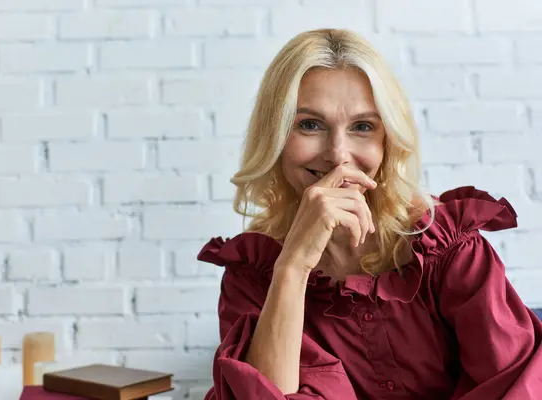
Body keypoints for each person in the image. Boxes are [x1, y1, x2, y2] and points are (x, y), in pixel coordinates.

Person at [197, 28, 542, 400]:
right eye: (309, 125)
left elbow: (512, 384)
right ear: (276, 136)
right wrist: (293, 268)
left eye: (362, 127)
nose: (338, 154)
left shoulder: (448, 247)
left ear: (387, 141)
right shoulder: (254, 275)